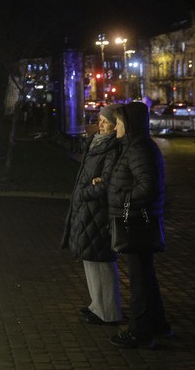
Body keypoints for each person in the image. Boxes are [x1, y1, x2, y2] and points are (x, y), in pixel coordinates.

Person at [107, 101, 171, 349]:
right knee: (145, 275)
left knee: (139, 279)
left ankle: (140, 331)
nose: (115, 129)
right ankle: (157, 324)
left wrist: (123, 199)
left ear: (130, 124)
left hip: (136, 222)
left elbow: (148, 186)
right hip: (140, 220)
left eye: (119, 123)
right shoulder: (137, 146)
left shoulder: (138, 149)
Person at [62, 104, 124, 325]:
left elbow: (105, 183)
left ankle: (109, 311)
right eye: (99, 119)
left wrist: (84, 192)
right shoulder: (95, 143)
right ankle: (96, 305)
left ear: (115, 125)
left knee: (103, 263)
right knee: (90, 259)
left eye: (106, 121)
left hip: (99, 212)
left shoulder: (112, 149)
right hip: (87, 210)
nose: (100, 124)